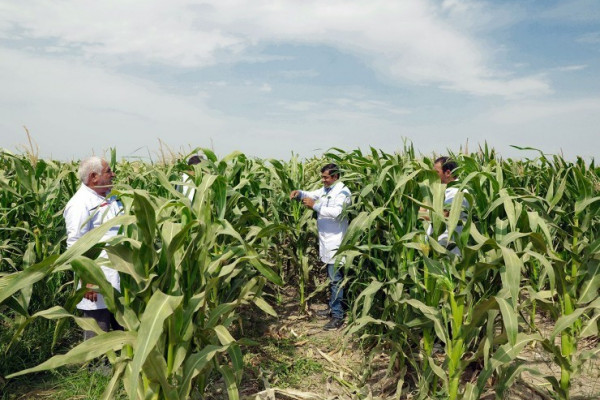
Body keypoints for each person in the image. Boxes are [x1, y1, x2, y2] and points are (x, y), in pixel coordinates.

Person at [64, 156, 123, 339]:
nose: (113, 174)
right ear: (93, 177)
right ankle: (93, 367)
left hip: (119, 275)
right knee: (98, 329)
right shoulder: (80, 204)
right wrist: (87, 279)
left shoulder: (110, 197)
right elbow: (75, 244)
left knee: (123, 326)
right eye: (108, 171)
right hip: (98, 278)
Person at [290, 163, 352, 330]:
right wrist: (299, 194)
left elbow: (338, 212)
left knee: (335, 281)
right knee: (332, 279)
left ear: (335, 176)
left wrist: (315, 206)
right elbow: (313, 194)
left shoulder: (343, 192)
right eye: (322, 177)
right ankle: (333, 309)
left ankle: (338, 316)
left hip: (337, 243)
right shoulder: (326, 189)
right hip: (326, 242)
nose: (323, 180)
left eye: (326, 177)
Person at [423, 157, 469, 255]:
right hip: (437, 250)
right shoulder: (442, 191)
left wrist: (415, 212)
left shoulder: (459, 192)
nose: (433, 176)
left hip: (448, 252)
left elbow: (440, 217)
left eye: (436, 172)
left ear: (447, 173)